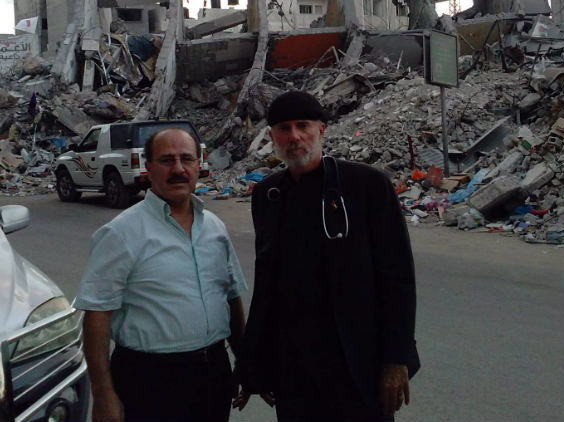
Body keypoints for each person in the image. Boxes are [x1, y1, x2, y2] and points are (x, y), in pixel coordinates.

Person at [238, 90, 420, 421]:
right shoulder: (268, 195)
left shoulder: (367, 186)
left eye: (302, 126)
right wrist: (257, 362)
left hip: (356, 364)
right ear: (272, 136)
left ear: (321, 131)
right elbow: (267, 285)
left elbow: (398, 279)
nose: (294, 137)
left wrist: (397, 358)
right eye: (284, 128)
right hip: (294, 369)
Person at [76, 127, 248, 422]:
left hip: (213, 374)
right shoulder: (121, 233)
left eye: (187, 159)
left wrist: (245, 364)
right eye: (167, 160)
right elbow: (97, 315)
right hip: (149, 381)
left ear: (199, 164)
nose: (179, 169)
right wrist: (103, 394)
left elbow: (230, 297)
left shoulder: (215, 228)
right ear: (148, 166)